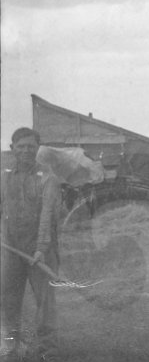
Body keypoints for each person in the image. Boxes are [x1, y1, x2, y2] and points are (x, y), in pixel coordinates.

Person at [0, 128, 61, 361]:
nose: (26, 150)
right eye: (21, 146)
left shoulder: (48, 178)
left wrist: (41, 248)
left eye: (30, 146)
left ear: (37, 148)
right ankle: (11, 348)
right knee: (8, 300)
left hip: (41, 251)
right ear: (12, 147)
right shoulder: (4, 176)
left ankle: (49, 351)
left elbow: (47, 216)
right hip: (11, 250)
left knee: (45, 303)